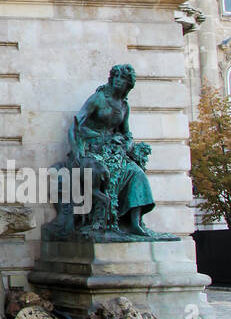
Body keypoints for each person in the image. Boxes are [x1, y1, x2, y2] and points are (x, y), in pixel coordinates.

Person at [67, 63, 162, 238]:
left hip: (112, 150)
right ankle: (101, 220)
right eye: (116, 76)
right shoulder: (98, 98)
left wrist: (128, 143)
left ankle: (134, 223)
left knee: (137, 174)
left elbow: (126, 132)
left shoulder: (124, 106)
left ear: (129, 84)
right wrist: (76, 151)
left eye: (123, 78)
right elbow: (75, 124)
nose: (118, 80)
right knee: (104, 172)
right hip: (91, 148)